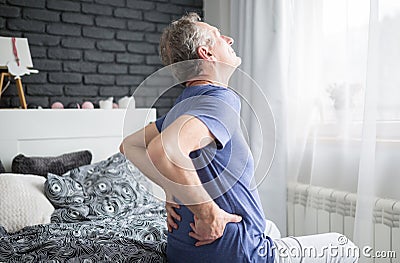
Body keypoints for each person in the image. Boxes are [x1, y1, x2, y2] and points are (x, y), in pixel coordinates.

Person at [120, 13, 359, 263]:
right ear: (207, 54)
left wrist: (171, 187)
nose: (229, 39)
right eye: (217, 36)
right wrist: (208, 213)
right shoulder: (219, 100)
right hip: (237, 252)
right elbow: (164, 151)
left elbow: (129, 145)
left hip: (186, 252)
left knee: (271, 227)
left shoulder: (182, 106)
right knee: (345, 247)